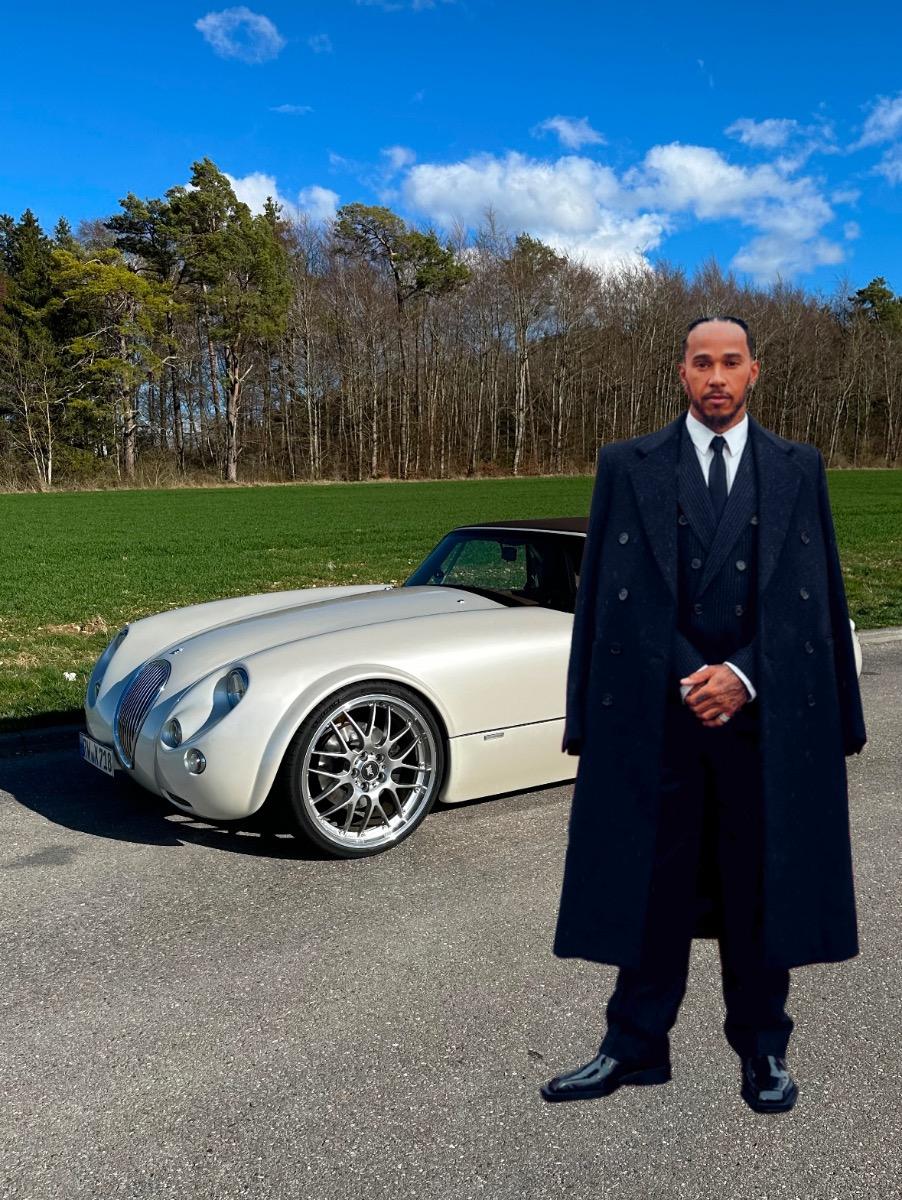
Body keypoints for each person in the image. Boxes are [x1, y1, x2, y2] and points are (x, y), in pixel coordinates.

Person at [542, 315, 866, 1114]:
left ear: (755, 371)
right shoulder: (627, 465)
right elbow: (607, 599)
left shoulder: (798, 467)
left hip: (763, 721)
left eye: (730, 362)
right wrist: (689, 675)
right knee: (650, 884)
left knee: (761, 884)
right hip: (660, 718)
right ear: (680, 372)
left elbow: (814, 597)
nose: (715, 377)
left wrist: (746, 675)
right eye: (701, 363)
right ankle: (632, 1046)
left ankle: (763, 1048)